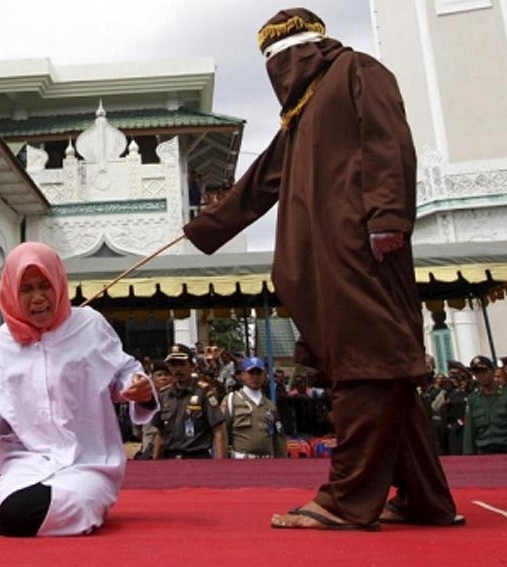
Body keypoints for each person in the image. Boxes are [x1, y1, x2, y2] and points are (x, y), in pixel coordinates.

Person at [182, 8, 460, 529]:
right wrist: (200, 228)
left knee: (368, 366)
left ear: (303, 51)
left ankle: (345, 500)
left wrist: (388, 216)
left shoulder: (358, 71)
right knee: (386, 374)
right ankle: (426, 499)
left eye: (279, 62)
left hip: (363, 249)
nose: (278, 75)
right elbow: (261, 181)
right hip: (325, 262)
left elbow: (388, 140)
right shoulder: (301, 113)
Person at [0, 241, 156, 537]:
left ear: (59, 282)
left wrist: (138, 389)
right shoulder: (0, 343)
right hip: (28, 461)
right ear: (10, 292)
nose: (37, 298)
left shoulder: (90, 326)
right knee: (15, 508)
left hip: (87, 463)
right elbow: (0, 407)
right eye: (26, 289)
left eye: (44, 285)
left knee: (64, 505)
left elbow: (124, 372)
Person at [151, 345, 227, 460]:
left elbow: (218, 431)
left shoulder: (204, 393)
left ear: (192, 366)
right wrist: (154, 463)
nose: (177, 369)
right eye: (173, 365)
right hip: (169, 459)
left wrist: (221, 465)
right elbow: (160, 434)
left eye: (182, 364)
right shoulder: (164, 395)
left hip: (197, 459)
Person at [223, 357, 286, 459]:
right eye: (251, 373)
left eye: (259, 373)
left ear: (265, 375)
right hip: (241, 461)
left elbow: (278, 438)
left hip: (267, 462)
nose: (255, 377)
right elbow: (222, 434)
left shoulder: (270, 405)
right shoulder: (232, 400)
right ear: (243, 375)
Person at [462, 356, 507, 455]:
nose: (480, 375)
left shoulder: (505, 395)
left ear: (492, 371)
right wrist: (468, 456)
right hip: (483, 453)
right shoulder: (473, 399)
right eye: (476, 373)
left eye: (483, 371)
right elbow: (469, 431)